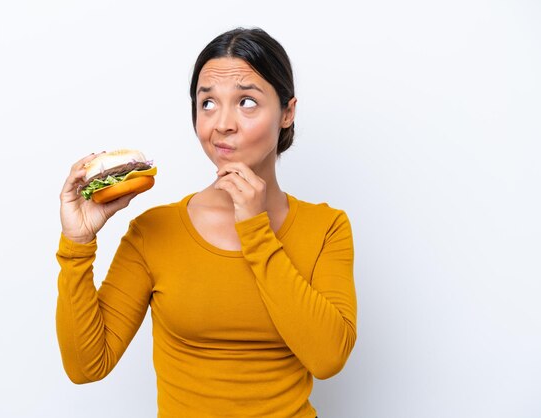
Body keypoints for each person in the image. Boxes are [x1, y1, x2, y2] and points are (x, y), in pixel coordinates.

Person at [56, 27, 357, 418]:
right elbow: (86, 367)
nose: (222, 124)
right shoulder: (155, 231)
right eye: (208, 103)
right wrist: (76, 245)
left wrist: (256, 231)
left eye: (247, 102)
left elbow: (328, 358)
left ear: (287, 112)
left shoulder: (327, 227)